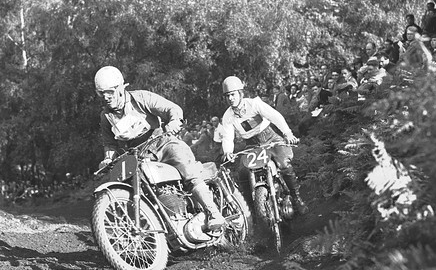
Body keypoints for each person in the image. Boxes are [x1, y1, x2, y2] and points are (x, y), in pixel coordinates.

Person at [93, 66, 226, 234]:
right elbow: (110, 144)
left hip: (163, 144)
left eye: (109, 92)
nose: (105, 97)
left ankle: (213, 212)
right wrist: (108, 158)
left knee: (186, 166)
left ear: (120, 88)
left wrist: (174, 121)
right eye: (101, 93)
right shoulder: (106, 117)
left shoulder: (141, 98)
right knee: (130, 186)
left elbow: (172, 109)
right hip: (139, 157)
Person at [219, 75, 307, 216]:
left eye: (233, 94)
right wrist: (228, 151)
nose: (230, 98)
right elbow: (227, 136)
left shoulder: (254, 104)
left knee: (284, 164)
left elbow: (275, 116)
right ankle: (253, 212)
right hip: (251, 145)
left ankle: (296, 198)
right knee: (243, 173)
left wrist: (287, 133)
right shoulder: (228, 116)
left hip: (270, 137)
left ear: (240, 93)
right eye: (227, 96)